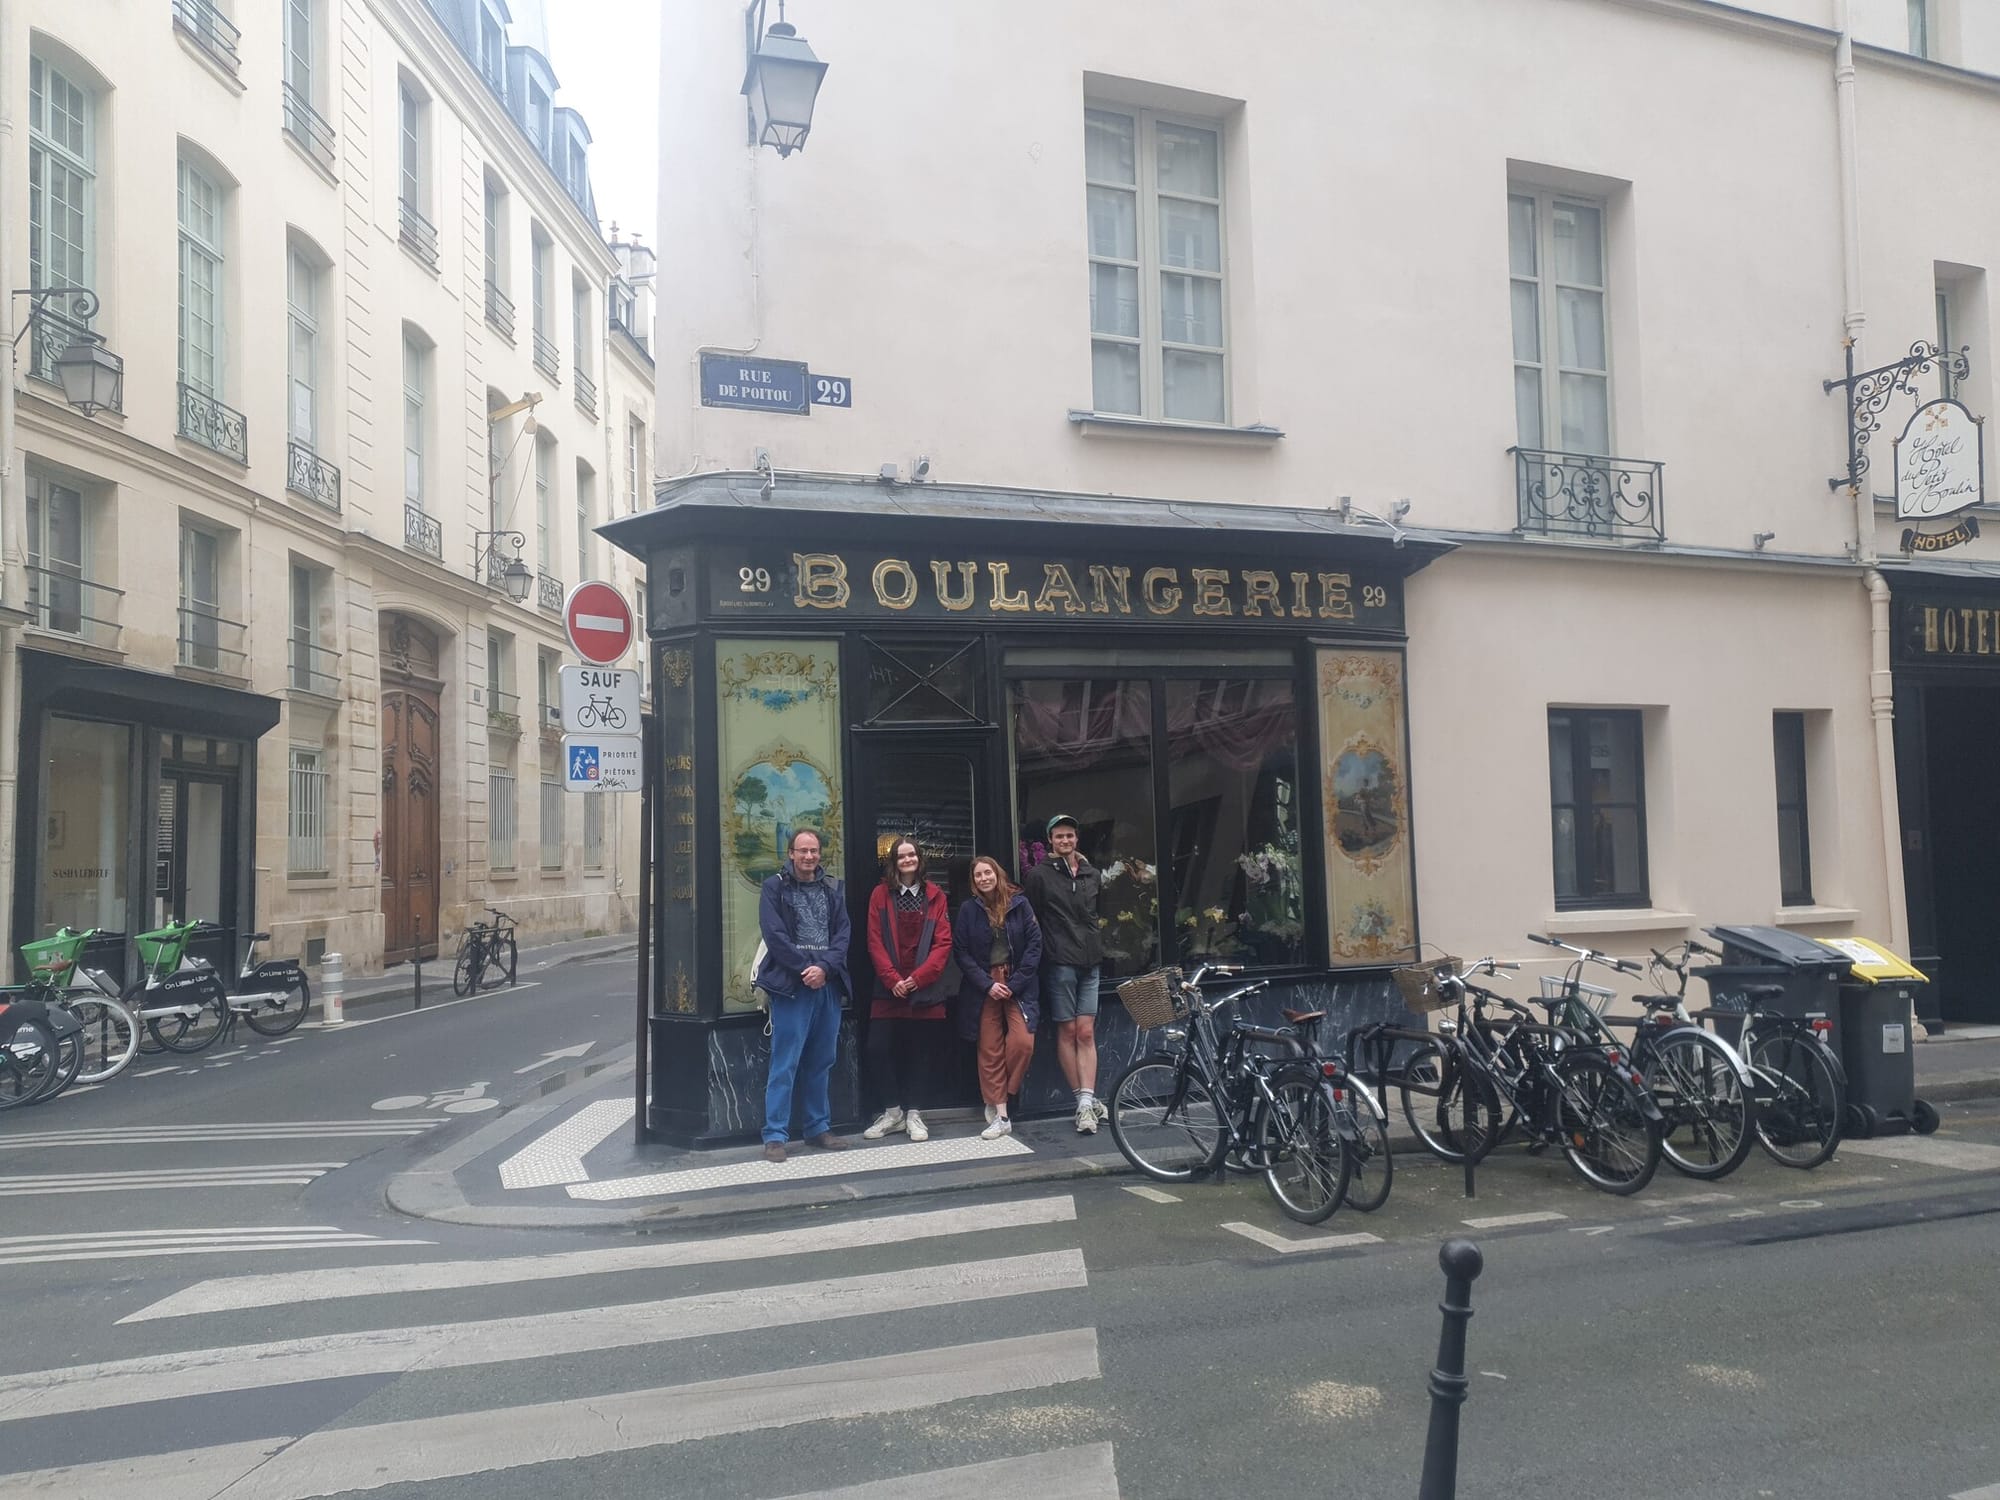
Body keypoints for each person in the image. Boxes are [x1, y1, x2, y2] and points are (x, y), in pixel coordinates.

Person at [752, 828, 852, 1162]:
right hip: (793, 987)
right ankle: (775, 1135)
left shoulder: (834, 888)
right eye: (802, 850)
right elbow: (774, 935)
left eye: (814, 851)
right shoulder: (773, 888)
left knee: (822, 1060)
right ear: (791, 853)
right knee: (785, 1062)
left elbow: (843, 934)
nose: (809, 856)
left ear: (820, 854)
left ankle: (817, 1128)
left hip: (827, 984)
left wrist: (824, 968)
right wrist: (805, 969)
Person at [861, 836, 956, 1143]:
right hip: (888, 986)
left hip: (924, 987)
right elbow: (874, 941)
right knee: (877, 1048)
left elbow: (943, 943)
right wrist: (892, 979)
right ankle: (893, 1113)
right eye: (901, 856)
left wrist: (918, 979)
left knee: (921, 1053)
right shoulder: (880, 894)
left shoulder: (935, 895)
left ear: (919, 859)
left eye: (911, 855)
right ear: (893, 861)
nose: (907, 860)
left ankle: (914, 1113)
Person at [1023, 813, 1105, 1134]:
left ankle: (1087, 1101)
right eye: (1059, 836)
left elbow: (1098, 914)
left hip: (1091, 961)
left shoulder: (1091, 874)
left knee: (1086, 1032)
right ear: (1050, 841)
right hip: (1060, 963)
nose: (1065, 841)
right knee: (1068, 1032)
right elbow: (1034, 918)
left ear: (1076, 839)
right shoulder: (1039, 876)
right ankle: (1084, 1103)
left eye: (1069, 836)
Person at [953, 855, 1041, 1140]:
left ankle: (1002, 1091)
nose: (983, 879)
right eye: (978, 875)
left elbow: (1034, 946)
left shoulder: (1020, 904)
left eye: (987, 873)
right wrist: (987, 984)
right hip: (984, 984)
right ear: (973, 881)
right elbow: (961, 952)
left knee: (1022, 1042)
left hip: (1017, 981)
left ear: (997, 874)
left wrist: (1014, 984)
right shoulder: (969, 909)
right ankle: (1002, 1115)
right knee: (989, 1047)